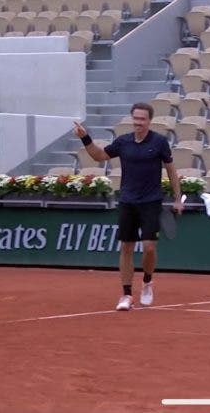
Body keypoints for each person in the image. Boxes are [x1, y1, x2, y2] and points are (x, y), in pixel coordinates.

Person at [73, 102, 184, 311]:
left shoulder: (159, 142)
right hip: (127, 201)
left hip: (151, 202)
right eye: (136, 118)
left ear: (149, 121)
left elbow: (171, 171)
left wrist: (177, 199)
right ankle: (126, 295)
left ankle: (147, 282)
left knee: (149, 247)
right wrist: (84, 137)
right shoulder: (123, 142)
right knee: (126, 247)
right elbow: (99, 156)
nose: (138, 122)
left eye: (142, 119)